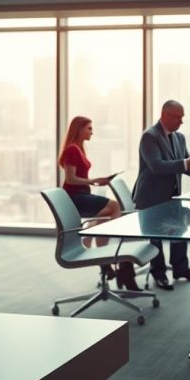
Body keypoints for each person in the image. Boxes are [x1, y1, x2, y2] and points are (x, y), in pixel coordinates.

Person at [133, 100, 190, 290]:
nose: (181, 121)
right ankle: (158, 273)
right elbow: (156, 166)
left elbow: (185, 163)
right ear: (164, 115)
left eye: (182, 117)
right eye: (177, 117)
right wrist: (186, 163)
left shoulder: (179, 137)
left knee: (180, 231)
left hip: (172, 195)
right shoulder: (149, 137)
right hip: (150, 196)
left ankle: (181, 269)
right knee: (155, 237)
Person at [58, 116, 138, 291]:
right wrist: (95, 180)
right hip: (74, 197)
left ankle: (100, 254)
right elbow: (70, 179)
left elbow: (79, 177)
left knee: (110, 211)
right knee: (115, 206)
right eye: (89, 128)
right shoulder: (72, 150)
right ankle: (94, 239)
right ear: (78, 129)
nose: (92, 132)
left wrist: (96, 182)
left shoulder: (79, 148)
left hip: (82, 193)